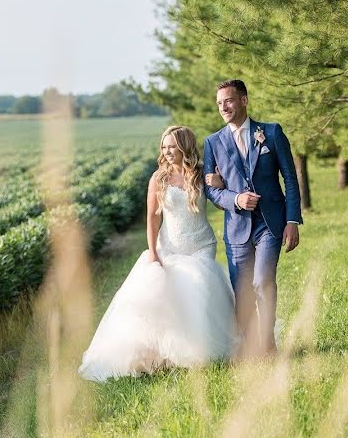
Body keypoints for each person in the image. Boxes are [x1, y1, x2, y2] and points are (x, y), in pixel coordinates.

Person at [79, 126, 239, 382]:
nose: (167, 151)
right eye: (164, 147)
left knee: (199, 294)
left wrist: (218, 184)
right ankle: (167, 354)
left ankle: (203, 351)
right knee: (168, 299)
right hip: (169, 246)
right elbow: (152, 219)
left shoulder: (201, 175)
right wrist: (153, 252)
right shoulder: (158, 178)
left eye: (172, 146)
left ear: (185, 147)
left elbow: (221, 198)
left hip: (201, 245)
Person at [202, 79, 302, 359]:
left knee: (262, 281)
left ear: (244, 100)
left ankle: (268, 344)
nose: (224, 107)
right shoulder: (213, 142)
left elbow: (290, 180)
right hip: (236, 226)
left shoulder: (271, 133)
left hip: (271, 223)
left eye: (229, 100)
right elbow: (210, 189)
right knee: (243, 290)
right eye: (220, 103)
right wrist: (235, 199)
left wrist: (292, 220)